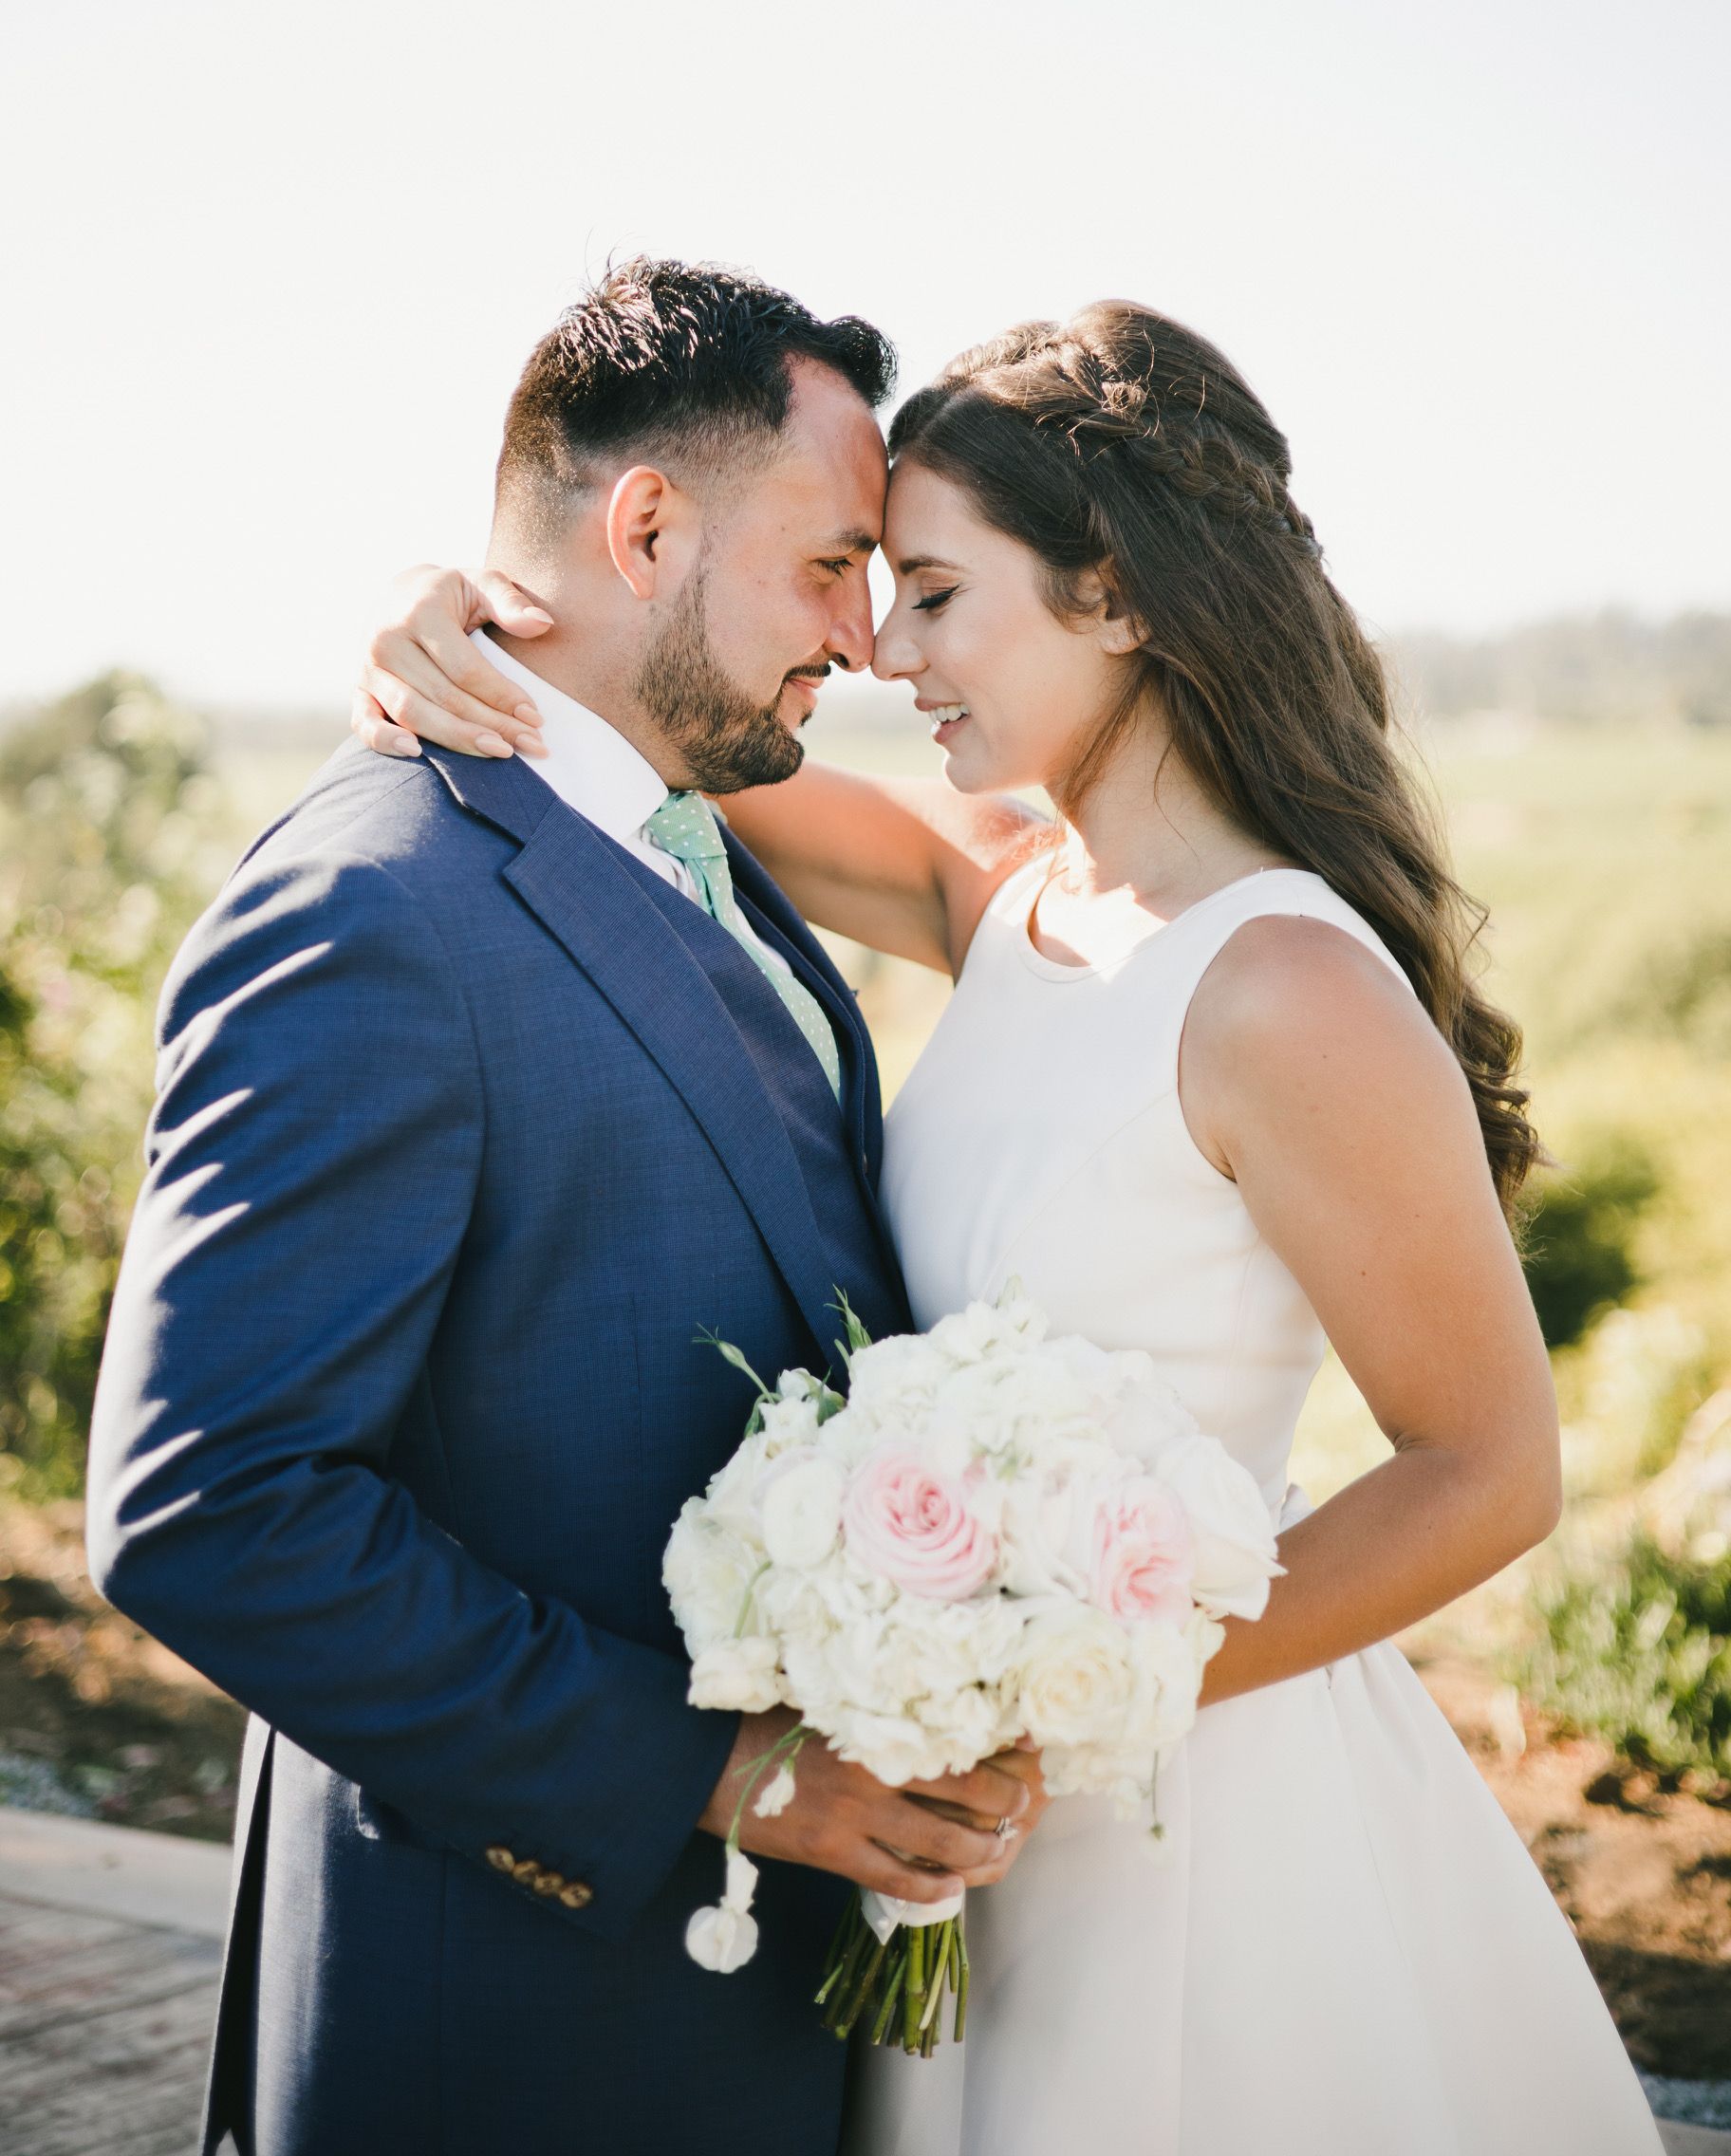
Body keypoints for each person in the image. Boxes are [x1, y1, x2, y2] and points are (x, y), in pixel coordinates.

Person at [360, 297, 1666, 2154]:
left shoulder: (1283, 988)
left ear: (1117, 597)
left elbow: (1489, 1467)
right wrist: (446, 618)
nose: (882, 649)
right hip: (966, 1823)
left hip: (1195, 1819)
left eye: (937, 594)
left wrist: (1046, 1695)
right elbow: (636, 726)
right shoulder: (1017, 902)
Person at [85, 259, 1045, 2156]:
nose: (862, 638)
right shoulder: (372, 907)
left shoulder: (685, 834)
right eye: (831, 563)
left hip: (723, 2026)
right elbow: (213, 1509)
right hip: (498, 2007)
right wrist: (720, 1775)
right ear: (645, 522)